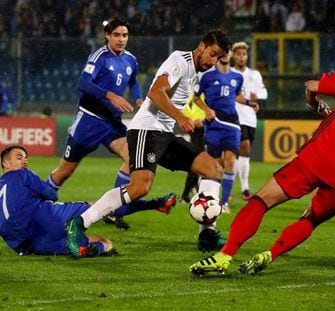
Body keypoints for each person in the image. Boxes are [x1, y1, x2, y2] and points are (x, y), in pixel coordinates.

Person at [189, 63, 335, 276]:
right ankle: (270, 254)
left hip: (319, 157)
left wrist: (313, 104)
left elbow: (311, 86)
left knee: (262, 200)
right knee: (310, 219)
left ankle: (225, 255)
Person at [65, 29, 233, 257]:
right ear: (202, 46)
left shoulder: (195, 72)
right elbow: (155, 93)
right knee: (139, 188)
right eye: (212, 54)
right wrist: (181, 117)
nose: (213, 62)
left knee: (213, 168)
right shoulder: (179, 60)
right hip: (146, 130)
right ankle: (80, 223)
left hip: (164, 134)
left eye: (218, 58)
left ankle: (207, 234)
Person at [46, 16, 142, 230]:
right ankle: (38, 200)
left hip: (112, 123)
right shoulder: (99, 57)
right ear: (107, 35)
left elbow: (134, 81)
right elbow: (83, 83)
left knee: (133, 157)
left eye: (124, 35)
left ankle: (115, 210)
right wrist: (110, 95)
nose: (121, 39)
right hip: (89, 120)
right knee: (65, 171)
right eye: (116, 35)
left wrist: (138, 98)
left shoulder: (131, 60)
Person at [0, 145, 176, 257]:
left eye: (26, 157)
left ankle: (89, 249)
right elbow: (52, 195)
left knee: (103, 243)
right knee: (100, 206)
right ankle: (155, 204)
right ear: (5, 164)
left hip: (30, 246)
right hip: (48, 218)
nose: (25, 161)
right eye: (19, 157)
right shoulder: (23, 175)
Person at [193, 50, 250, 213]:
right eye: (222, 52)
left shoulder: (237, 77)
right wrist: (207, 109)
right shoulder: (207, 76)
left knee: (230, 160)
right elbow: (196, 98)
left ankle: (224, 202)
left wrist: (249, 103)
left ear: (230, 54)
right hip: (213, 124)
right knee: (214, 165)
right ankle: (211, 200)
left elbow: (237, 95)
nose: (225, 55)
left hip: (232, 124)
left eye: (227, 51)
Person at [232, 41, 268, 201]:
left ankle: (241, 186)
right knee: (243, 147)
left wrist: (257, 96)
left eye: (244, 54)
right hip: (234, 116)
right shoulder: (230, 73)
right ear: (233, 55)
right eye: (238, 54)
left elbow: (264, 92)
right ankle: (244, 188)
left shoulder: (255, 74)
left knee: (243, 153)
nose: (241, 57)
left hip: (250, 117)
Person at [180, 97, 206, 204]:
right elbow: (185, 107)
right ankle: (186, 194)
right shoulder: (194, 90)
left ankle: (193, 189)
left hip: (207, 126)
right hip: (197, 130)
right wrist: (190, 120)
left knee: (200, 162)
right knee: (197, 162)